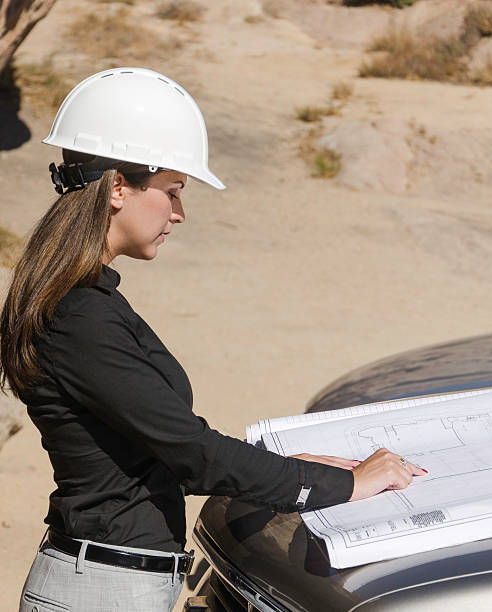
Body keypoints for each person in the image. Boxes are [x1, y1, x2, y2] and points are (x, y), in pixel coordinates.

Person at [0, 67, 425, 612]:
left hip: (110, 584)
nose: (179, 213)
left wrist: (301, 467)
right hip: (100, 592)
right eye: (173, 191)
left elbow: (161, 446)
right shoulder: (79, 316)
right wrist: (343, 486)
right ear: (116, 188)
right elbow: (192, 455)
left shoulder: (86, 303)